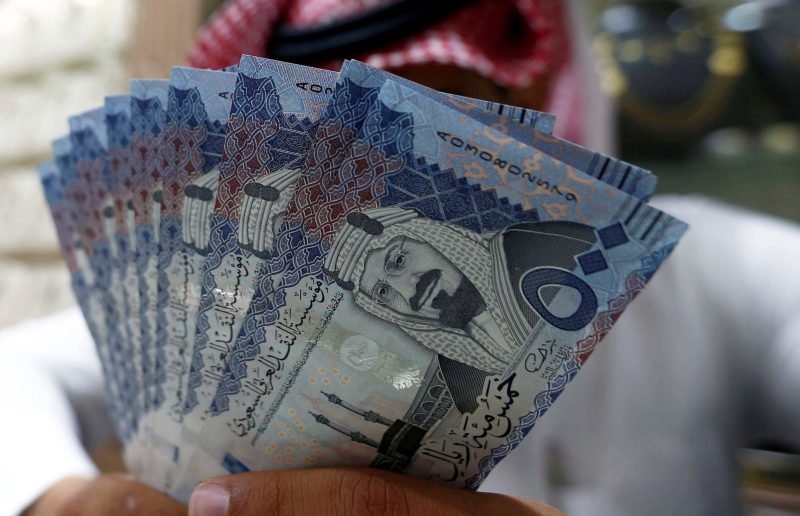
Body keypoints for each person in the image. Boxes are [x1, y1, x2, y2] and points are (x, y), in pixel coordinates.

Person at [4, 1, 800, 515]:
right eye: (356, 113)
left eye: (467, 112)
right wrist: (56, 495)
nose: (414, 139)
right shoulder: (213, 310)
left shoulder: (709, 268)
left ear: (532, 103)